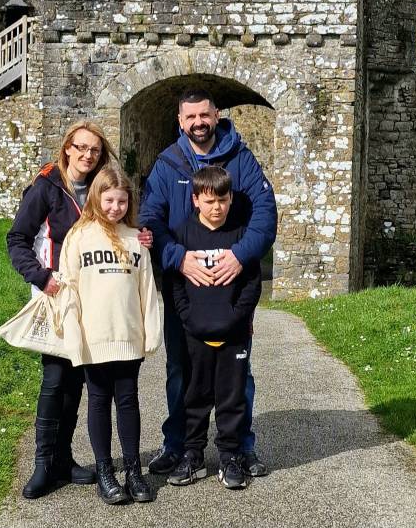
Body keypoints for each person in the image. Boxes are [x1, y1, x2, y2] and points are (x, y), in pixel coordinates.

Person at [6, 122, 153, 500]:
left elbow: (122, 224)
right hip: (60, 295)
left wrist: (139, 234)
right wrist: (41, 276)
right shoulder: (48, 186)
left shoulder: (104, 186)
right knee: (56, 380)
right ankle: (44, 464)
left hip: (99, 303)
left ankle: (65, 458)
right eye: (81, 148)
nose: (88, 155)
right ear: (68, 148)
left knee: (82, 383)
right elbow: (17, 238)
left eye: (95, 149)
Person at [138, 88, 277, 478]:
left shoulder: (240, 159)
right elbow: (151, 221)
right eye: (190, 117)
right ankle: (180, 446)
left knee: (238, 375)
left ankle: (240, 448)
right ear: (180, 122)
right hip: (186, 289)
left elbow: (265, 213)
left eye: (205, 114)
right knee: (181, 370)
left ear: (216, 115)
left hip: (231, 288)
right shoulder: (168, 165)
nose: (198, 122)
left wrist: (241, 254)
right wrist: (178, 259)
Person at [60, 164, 164, 505]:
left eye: (121, 201)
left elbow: (147, 289)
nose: (114, 207)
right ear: (96, 198)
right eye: (108, 200)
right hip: (94, 338)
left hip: (128, 335)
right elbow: (69, 290)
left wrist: (152, 332)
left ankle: (134, 470)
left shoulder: (136, 238)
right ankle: (106, 472)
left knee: (129, 401)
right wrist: (74, 337)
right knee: (99, 401)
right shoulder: (79, 236)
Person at [168, 165, 262, 489]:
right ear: (195, 200)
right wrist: (188, 319)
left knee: (232, 399)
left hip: (234, 335)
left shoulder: (241, 235)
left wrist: (237, 317)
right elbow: (175, 285)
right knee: (195, 397)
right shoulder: (182, 235)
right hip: (196, 333)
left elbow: (252, 283)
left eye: (222, 199)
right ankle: (192, 455)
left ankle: (230, 457)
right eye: (209, 201)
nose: (216, 207)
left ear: (231, 198)